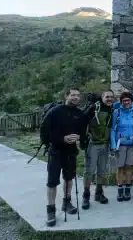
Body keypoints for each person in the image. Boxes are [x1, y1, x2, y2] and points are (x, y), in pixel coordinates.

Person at [41, 87, 88, 227]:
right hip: (55, 152)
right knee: (52, 182)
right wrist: (62, 139)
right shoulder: (54, 112)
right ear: (66, 96)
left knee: (69, 179)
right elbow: (44, 134)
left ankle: (66, 203)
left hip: (71, 152)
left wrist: (79, 137)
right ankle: (50, 210)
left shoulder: (80, 114)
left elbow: (84, 133)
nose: (76, 97)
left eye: (78, 95)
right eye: (73, 95)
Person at [81, 90, 115, 210]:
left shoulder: (111, 109)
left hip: (105, 144)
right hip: (93, 144)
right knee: (89, 170)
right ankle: (86, 196)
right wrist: (83, 139)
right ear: (102, 97)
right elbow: (82, 120)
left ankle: (99, 193)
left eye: (111, 97)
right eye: (107, 97)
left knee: (101, 170)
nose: (109, 99)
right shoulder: (94, 108)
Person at [110, 91, 133, 202]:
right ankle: (120, 190)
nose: (126, 102)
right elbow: (113, 129)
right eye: (124, 101)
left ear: (132, 101)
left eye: (128, 100)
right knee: (120, 167)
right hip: (120, 144)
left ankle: (127, 189)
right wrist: (113, 144)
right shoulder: (117, 112)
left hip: (132, 144)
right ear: (121, 102)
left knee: (129, 167)